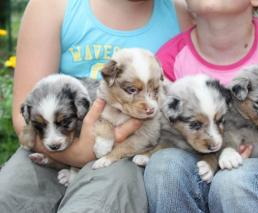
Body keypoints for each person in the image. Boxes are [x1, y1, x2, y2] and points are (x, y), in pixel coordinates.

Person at [0, 0, 192, 212]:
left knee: (97, 205)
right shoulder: (51, 6)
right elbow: (24, 111)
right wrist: (76, 154)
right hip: (47, 145)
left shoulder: (183, 13)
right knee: (9, 196)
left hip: (125, 157)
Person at [144, 0, 258, 212]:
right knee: (165, 164)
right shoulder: (169, 61)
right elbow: (161, 135)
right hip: (206, 172)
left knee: (234, 181)